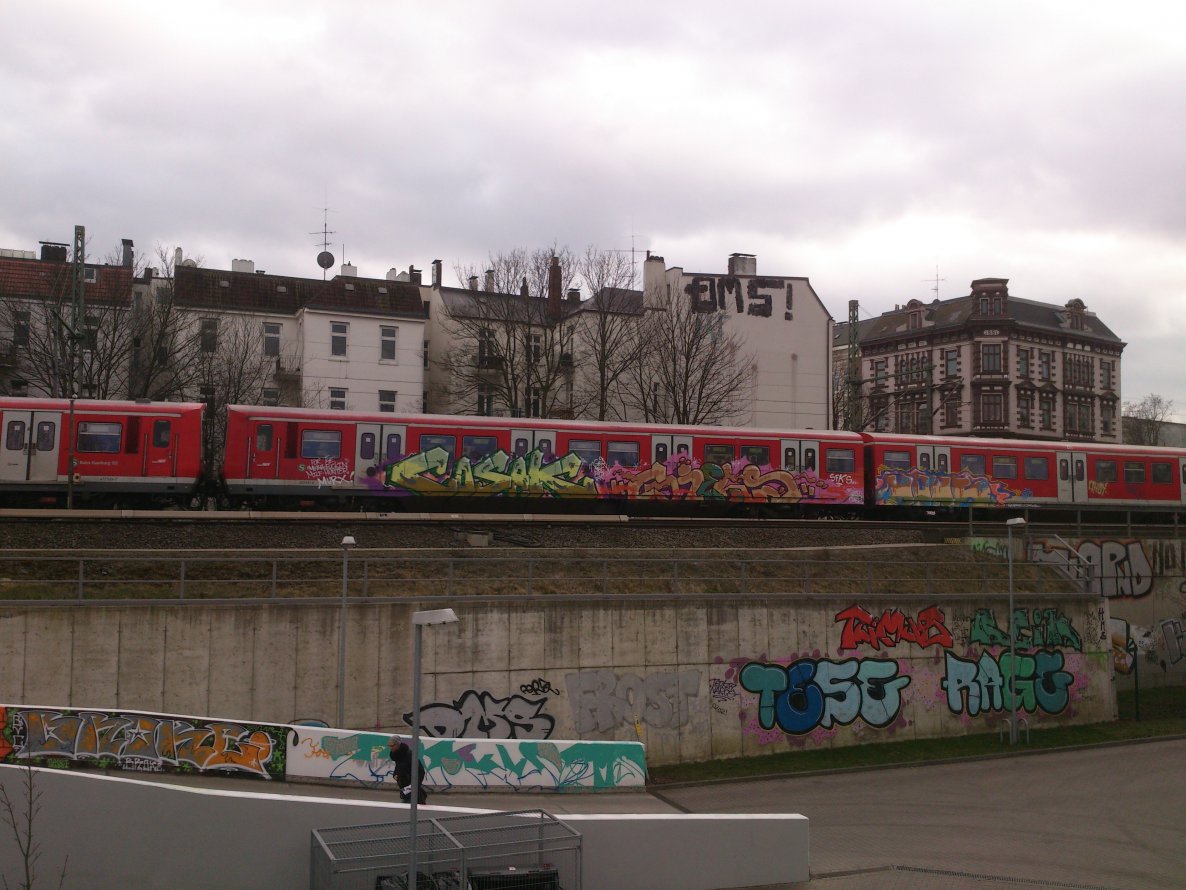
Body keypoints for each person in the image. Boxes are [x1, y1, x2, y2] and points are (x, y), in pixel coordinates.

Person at [387, 735, 427, 804]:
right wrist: (395, 774)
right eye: (389, 745)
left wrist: (410, 788)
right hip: (405, 791)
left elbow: (421, 772)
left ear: (398, 745)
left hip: (412, 792)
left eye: (392, 745)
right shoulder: (399, 755)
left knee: (408, 812)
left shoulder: (409, 755)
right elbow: (399, 767)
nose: (390, 748)